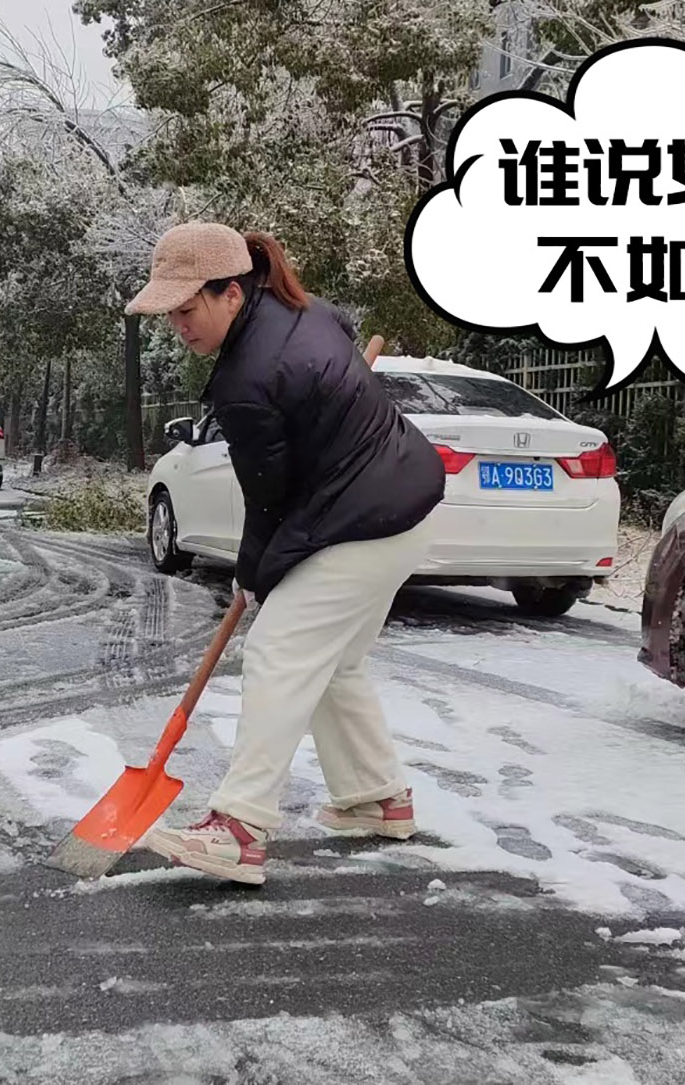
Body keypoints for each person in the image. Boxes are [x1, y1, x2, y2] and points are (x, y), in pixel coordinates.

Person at [127, 223, 445, 885]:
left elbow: (267, 499)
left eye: (187, 309)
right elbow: (339, 345)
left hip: (364, 519)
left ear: (231, 293)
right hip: (406, 499)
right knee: (333, 661)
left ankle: (238, 828)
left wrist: (254, 574)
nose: (178, 327)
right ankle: (378, 797)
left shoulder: (248, 377)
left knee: (278, 650)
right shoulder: (300, 310)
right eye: (170, 314)